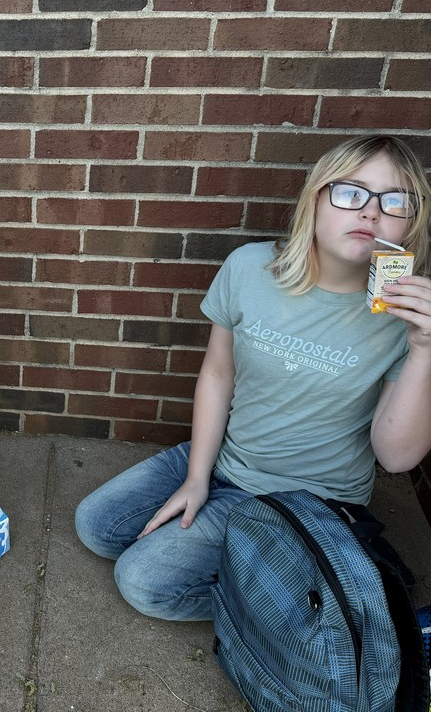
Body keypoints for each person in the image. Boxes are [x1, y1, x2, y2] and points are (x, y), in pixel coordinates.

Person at [75, 134, 431, 621]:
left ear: (411, 222)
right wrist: (198, 477)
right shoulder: (249, 267)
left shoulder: (406, 317)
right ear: (315, 199)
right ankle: (273, 566)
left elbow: (396, 457)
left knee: (144, 583)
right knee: (96, 526)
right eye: (351, 192)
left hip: (306, 498)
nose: (370, 212)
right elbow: (218, 373)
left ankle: (314, 595)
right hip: (229, 457)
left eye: (395, 201)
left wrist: (424, 350)